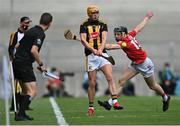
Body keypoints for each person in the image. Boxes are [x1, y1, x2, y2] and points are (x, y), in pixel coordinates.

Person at [98, 11, 170, 112]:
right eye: (116, 34)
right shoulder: (130, 35)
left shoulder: (124, 43)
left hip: (145, 64)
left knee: (152, 86)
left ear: (124, 34)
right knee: (121, 81)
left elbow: (111, 46)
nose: (116, 36)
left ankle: (165, 97)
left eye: (118, 34)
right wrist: (147, 18)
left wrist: (100, 46)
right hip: (135, 63)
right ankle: (110, 103)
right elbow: (139, 27)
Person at [80, 5, 123, 116]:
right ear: (89, 14)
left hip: (102, 54)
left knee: (109, 76)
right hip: (90, 57)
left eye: (97, 12)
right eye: (93, 13)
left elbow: (104, 38)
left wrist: (99, 49)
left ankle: (115, 101)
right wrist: (93, 50)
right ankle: (91, 107)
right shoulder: (84, 25)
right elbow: (83, 41)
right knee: (92, 83)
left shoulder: (102, 24)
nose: (95, 14)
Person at [12, 12, 53, 121]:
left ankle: (22, 113)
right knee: (33, 92)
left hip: (16, 62)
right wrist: (41, 65)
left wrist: (20, 57)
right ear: (49, 24)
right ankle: (20, 114)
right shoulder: (40, 33)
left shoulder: (31, 30)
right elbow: (34, 50)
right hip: (24, 64)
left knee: (25, 91)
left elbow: (17, 45)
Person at [8, 16, 32, 111]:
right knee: (17, 85)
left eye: (28, 23)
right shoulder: (15, 34)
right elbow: (11, 47)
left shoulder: (29, 34)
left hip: (25, 62)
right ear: (21, 23)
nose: (27, 25)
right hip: (16, 62)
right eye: (25, 23)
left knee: (25, 85)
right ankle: (14, 105)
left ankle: (23, 105)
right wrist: (12, 59)